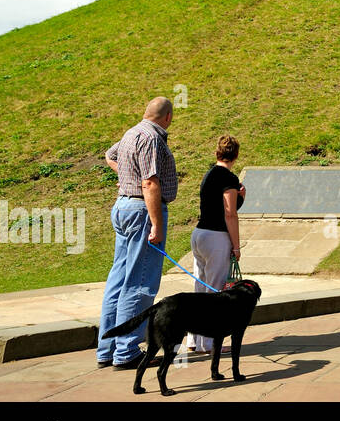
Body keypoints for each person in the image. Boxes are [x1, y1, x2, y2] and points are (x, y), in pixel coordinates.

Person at [97, 97, 178, 369]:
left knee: (118, 281)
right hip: (142, 210)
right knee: (140, 283)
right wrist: (156, 223)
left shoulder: (131, 132)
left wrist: (125, 173)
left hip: (122, 206)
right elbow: (149, 183)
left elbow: (110, 155)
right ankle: (127, 351)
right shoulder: (152, 138)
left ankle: (106, 350)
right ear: (167, 117)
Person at [185, 135, 246, 355]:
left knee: (200, 287)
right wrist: (237, 247)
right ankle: (208, 343)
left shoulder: (209, 175)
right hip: (216, 236)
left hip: (199, 234)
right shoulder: (229, 178)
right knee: (215, 291)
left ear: (216, 153)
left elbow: (219, 206)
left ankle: (193, 339)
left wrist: (239, 198)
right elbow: (229, 213)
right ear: (236, 155)